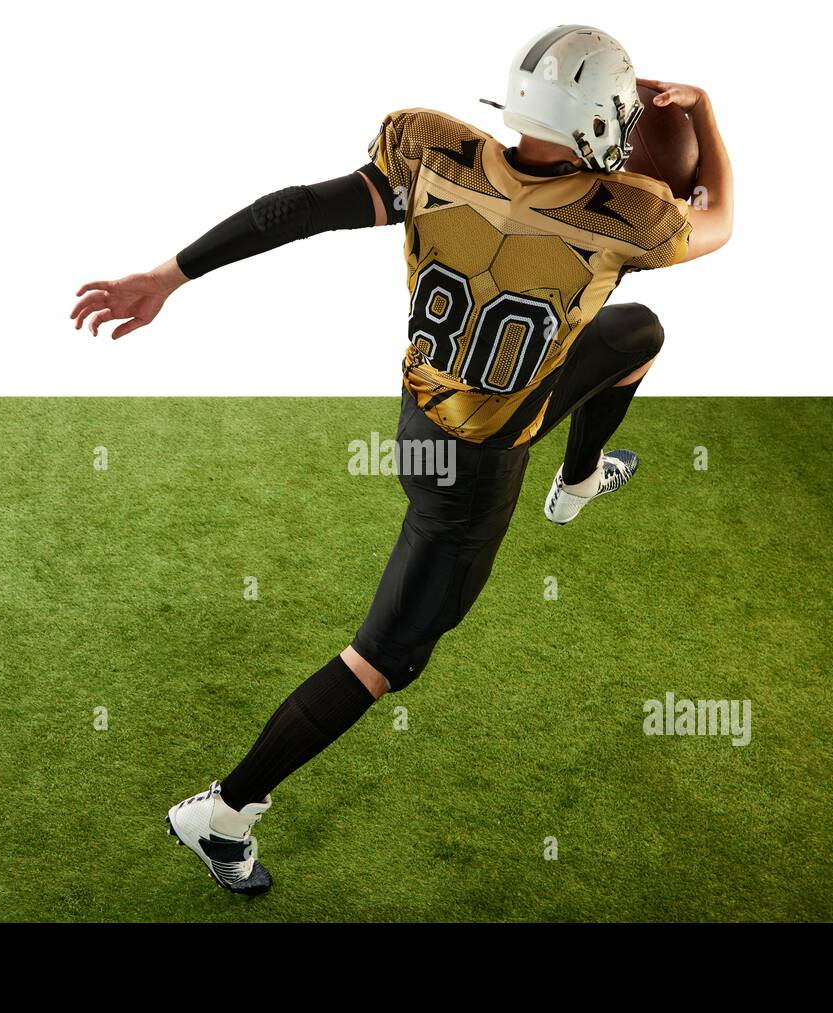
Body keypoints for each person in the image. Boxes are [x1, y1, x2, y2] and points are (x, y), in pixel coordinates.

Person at [70, 24, 733, 894]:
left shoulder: (431, 151)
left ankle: (576, 481)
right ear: (603, 119)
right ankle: (224, 811)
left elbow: (299, 208)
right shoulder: (628, 220)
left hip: (433, 418)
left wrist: (169, 275)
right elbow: (720, 214)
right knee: (385, 659)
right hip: (474, 474)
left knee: (635, 334)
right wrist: (707, 115)